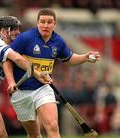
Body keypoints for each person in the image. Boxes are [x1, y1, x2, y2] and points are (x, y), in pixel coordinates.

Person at [7, 8, 100, 138]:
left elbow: (68, 59)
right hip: (21, 91)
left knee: (52, 125)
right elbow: (7, 59)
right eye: (43, 22)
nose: (46, 25)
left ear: (54, 24)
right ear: (37, 23)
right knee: (33, 134)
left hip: (43, 89)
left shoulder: (58, 41)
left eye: (49, 22)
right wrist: (11, 81)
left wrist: (85, 57)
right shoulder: (25, 38)